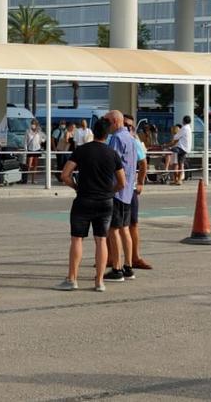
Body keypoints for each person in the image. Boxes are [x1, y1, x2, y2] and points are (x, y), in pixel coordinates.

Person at [56, 117, 125, 293]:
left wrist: (76, 186)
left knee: (77, 238)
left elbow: (65, 175)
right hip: (105, 202)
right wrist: (110, 191)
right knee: (101, 239)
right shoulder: (112, 153)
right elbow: (122, 182)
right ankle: (99, 281)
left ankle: (72, 279)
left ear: (93, 132)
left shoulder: (82, 150)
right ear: (107, 133)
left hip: (84, 200)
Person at [101, 110, 138, 283]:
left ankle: (116, 268)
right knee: (125, 229)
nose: (105, 124)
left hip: (116, 190)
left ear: (115, 121)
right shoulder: (131, 138)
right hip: (128, 191)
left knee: (113, 230)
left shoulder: (116, 139)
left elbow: (109, 161)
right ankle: (128, 266)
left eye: (107, 120)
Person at [121, 114, 152, 270]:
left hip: (130, 189)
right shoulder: (110, 140)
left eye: (131, 126)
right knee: (110, 227)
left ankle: (135, 257)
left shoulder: (134, 141)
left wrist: (140, 182)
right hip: (113, 190)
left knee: (133, 224)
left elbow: (143, 162)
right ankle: (110, 258)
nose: (129, 129)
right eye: (126, 125)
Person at [171, 115, 193, 185]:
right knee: (181, 164)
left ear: (183, 121)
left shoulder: (184, 128)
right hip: (186, 148)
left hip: (181, 148)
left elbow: (176, 137)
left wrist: (174, 136)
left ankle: (178, 179)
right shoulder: (189, 128)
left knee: (179, 164)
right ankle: (178, 179)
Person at [24, 119, 44, 184]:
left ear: (36, 125)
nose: (33, 125)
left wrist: (42, 140)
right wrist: (26, 149)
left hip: (37, 148)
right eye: (32, 123)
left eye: (34, 124)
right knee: (29, 164)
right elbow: (25, 141)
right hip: (30, 149)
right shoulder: (28, 131)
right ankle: (25, 179)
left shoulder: (39, 131)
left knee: (35, 165)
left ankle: (33, 180)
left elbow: (43, 138)